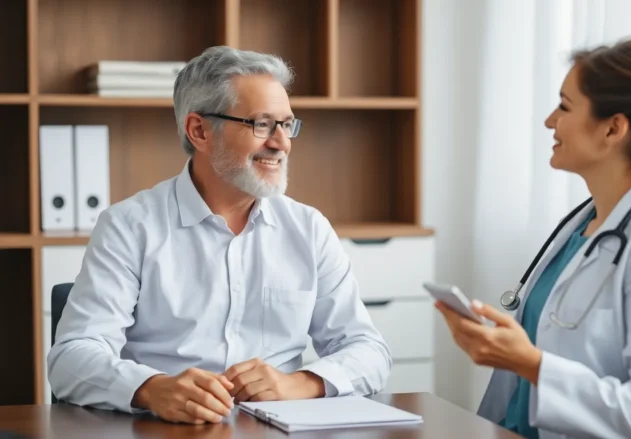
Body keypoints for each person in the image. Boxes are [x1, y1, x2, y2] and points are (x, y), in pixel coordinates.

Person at [48, 46, 392, 424]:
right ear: (199, 131)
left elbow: (369, 352)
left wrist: (299, 383)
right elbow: (70, 358)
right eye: (262, 124)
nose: (281, 143)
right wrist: (152, 388)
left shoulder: (309, 229)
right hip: (167, 429)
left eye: (287, 124)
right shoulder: (128, 227)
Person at [436, 36, 631, 439]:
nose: (550, 121)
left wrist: (531, 364)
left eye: (564, 106)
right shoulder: (582, 224)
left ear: (613, 128)